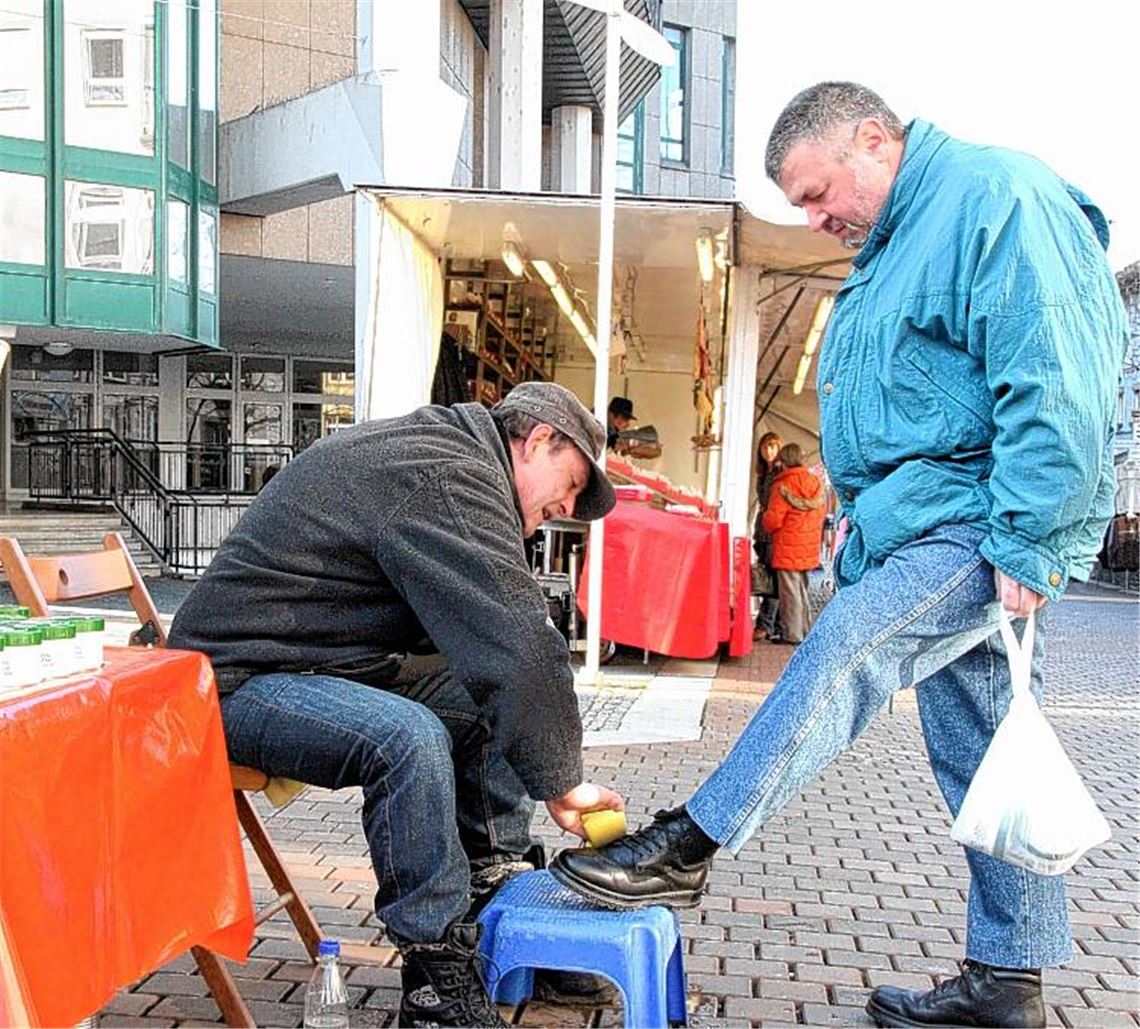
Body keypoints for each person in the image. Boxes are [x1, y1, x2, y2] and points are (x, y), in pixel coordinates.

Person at [549, 81, 1127, 1029]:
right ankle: (1006, 984)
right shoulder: (897, 239)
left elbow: (1057, 368)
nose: (816, 221)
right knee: (984, 753)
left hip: (977, 516)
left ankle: (690, 840)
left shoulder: (995, 199)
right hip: (927, 517)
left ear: (873, 138)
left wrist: (1029, 534)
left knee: (849, 643)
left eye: (819, 195)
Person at [169, 381, 625, 1027]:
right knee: (405, 734)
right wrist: (564, 785)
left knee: (481, 698)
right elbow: (518, 640)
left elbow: (503, 651)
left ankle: (498, 906)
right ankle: (435, 973)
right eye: (572, 482)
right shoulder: (445, 472)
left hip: (319, 665)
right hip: (235, 682)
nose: (566, 506)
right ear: (539, 440)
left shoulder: (453, 459)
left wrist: (547, 759)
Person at [761, 442, 826, 644]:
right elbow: (821, 514)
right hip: (809, 547)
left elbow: (773, 521)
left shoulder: (782, 486)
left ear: (784, 460)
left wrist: (764, 518)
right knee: (803, 591)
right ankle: (806, 632)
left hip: (787, 547)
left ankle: (792, 635)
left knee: (789, 593)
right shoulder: (815, 484)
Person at [751, 431, 783, 639]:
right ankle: (777, 626)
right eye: (764, 447)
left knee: (771, 581)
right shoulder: (763, 473)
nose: (768, 451)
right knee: (767, 578)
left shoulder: (780, 472)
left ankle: (765, 625)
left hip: (774, 531)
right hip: (762, 530)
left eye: (772, 446)